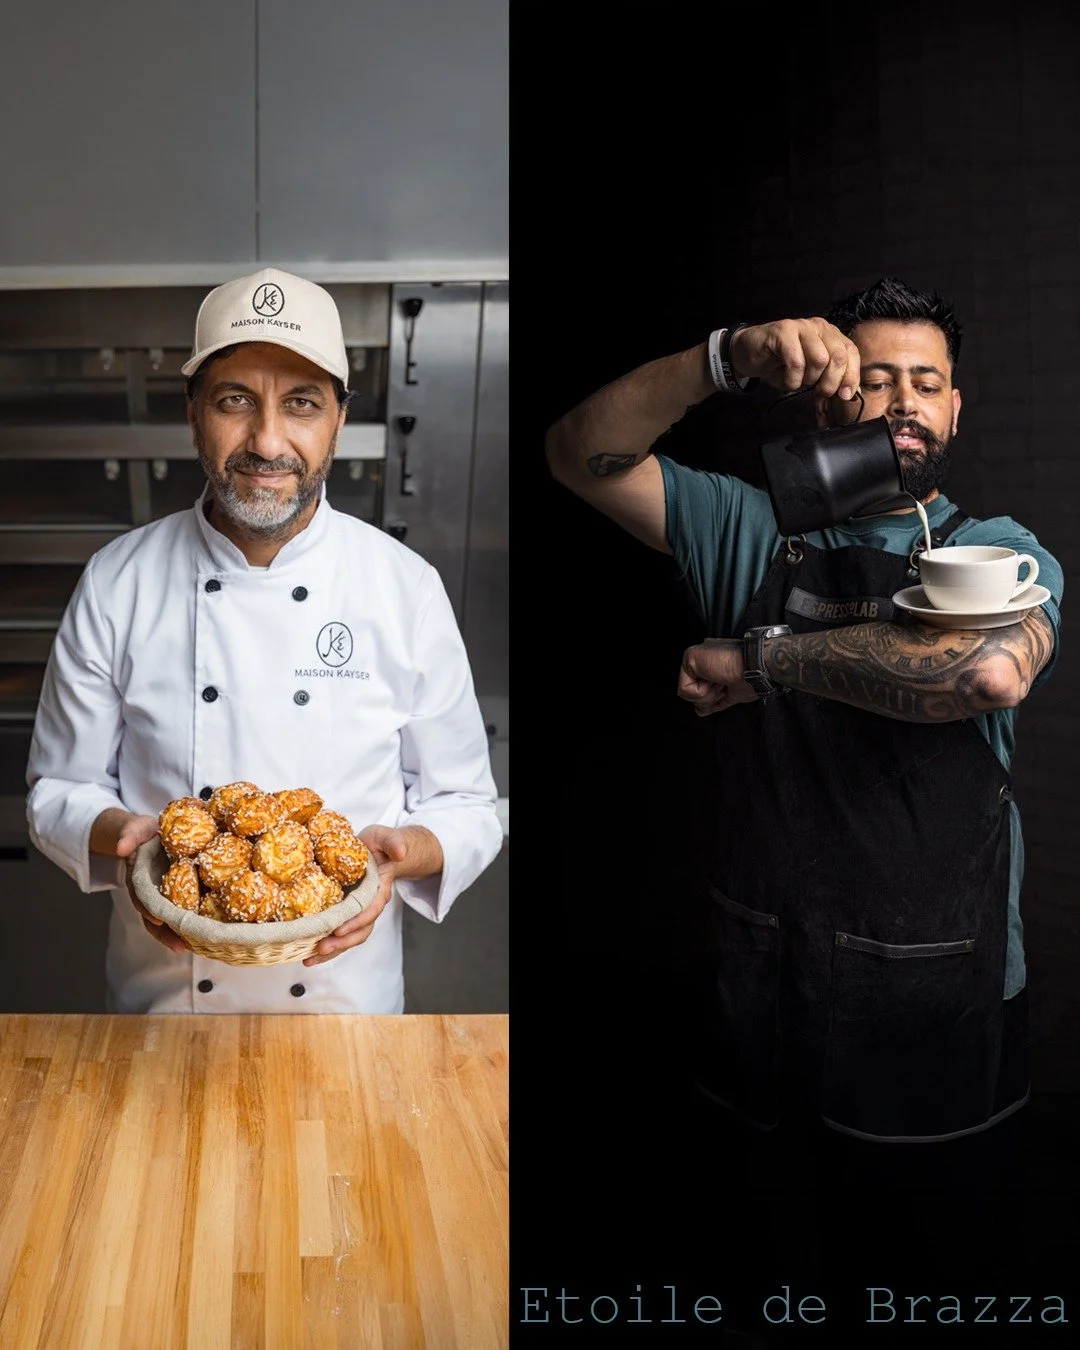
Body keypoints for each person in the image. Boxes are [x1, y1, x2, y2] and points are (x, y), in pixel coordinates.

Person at [545, 278, 1067, 1275]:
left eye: (928, 381)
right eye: (875, 380)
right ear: (828, 395)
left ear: (956, 407)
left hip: (940, 992)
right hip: (763, 979)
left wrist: (760, 663)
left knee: (925, 1272)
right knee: (762, 1256)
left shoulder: (999, 551)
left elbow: (985, 670)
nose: (904, 400)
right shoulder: (744, 527)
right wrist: (724, 357)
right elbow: (578, 454)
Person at [25, 267, 502, 1015]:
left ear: (338, 421)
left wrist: (406, 855)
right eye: (234, 400)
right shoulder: (118, 580)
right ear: (193, 415)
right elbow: (57, 789)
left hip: (347, 1009)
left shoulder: (403, 587)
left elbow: (469, 803)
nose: (267, 440)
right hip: (165, 1007)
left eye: (302, 403)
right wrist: (123, 838)